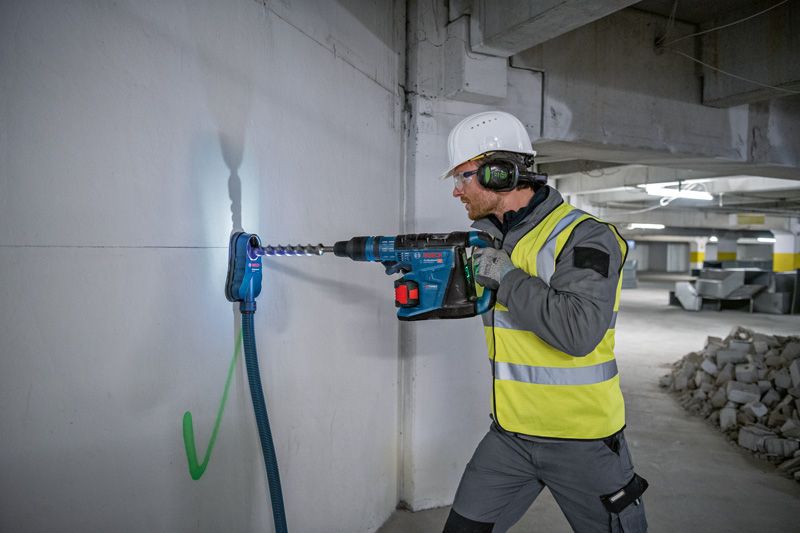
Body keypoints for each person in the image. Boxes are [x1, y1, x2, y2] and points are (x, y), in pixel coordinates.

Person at [441, 111, 648, 533]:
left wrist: (505, 275)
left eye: (463, 177)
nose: (456, 192)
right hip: (511, 435)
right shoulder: (488, 239)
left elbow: (578, 331)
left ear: (500, 174)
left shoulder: (585, 236)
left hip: (582, 440)